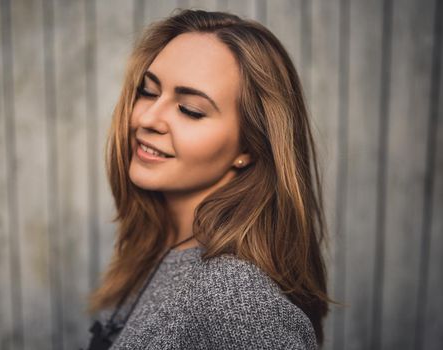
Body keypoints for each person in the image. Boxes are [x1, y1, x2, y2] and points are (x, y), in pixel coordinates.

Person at [84, 9, 334, 350]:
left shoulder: (233, 295)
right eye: (148, 91)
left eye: (190, 110)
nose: (148, 118)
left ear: (249, 146)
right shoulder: (158, 251)